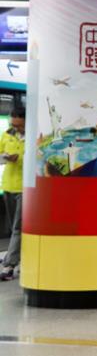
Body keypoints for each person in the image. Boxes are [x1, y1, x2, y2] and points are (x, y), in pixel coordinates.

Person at [0, 108, 24, 281]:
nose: (16, 128)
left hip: (25, 188)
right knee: (14, 227)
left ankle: (9, 265)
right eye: (13, 124)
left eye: (19, 125)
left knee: (17, 227)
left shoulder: (35, 137)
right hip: (8, 185)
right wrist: (5, 156)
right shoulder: (6, 135)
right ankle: (18, 257)